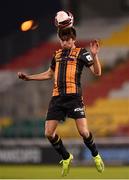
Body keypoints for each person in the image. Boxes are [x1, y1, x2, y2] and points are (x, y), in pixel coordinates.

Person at [18, 27, 104, 176]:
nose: (65, 43)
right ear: (60, 40)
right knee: (49, 133)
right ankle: (66, 156)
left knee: (83, 132)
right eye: (62, 40)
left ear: (73, 39)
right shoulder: (56, 55)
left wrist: (95, 56)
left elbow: (97, 72)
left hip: (74, 98)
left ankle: (96, 155)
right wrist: (29, 77)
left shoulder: (81, 53)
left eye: (68, 40)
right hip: (57, 98)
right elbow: (49, 74)